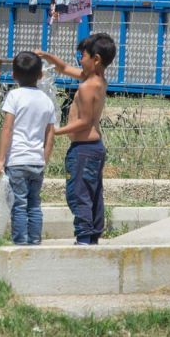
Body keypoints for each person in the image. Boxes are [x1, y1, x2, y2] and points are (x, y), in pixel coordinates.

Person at [36, 33, 116, 245]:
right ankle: (92, 236)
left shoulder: (87, 86)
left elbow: (85, 122)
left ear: (95, 59)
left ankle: (83, 237)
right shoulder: (96, 80)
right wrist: (47, 56)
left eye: (83, 56)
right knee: (94, 192)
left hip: (83, 150)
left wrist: (55, 131)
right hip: (94, 148)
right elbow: (64, 69)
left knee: (78, 193)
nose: (80, 60)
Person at [0, 51, 57, 245]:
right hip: (37, 162)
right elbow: (50, 134)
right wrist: (44, 158)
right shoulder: (47, 100)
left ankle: (20, 243)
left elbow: (7, 129)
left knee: (19, 205)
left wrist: (0, 160)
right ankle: (35, 241)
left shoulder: (14, 96)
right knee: (34, 205)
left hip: (17, 161)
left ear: (13, 75)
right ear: (41, 75)